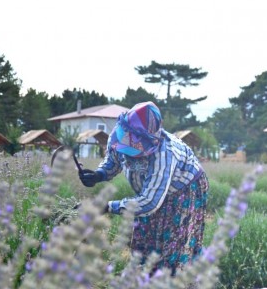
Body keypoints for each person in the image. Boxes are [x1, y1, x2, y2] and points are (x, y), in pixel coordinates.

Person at [78, 101, 209, 275]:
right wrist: (99, 175)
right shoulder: (119, 134)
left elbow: (149, 202)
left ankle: (174, 287)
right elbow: (114, 160)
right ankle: (144, 278)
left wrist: (107, 206)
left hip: (185, 189)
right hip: (151, 191)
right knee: (145, 238)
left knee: (173, 243)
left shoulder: (164, 154)